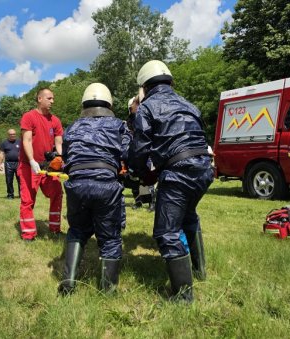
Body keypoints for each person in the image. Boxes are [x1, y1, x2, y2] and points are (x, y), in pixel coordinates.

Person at [128, 60, 214, 302]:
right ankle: (199, 271)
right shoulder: (189, 104)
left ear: (144, 85)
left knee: (166, 232)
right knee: (188, 217)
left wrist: (136, 170)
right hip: (204, 170)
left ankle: (184, 297)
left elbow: (141, 147)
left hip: (180, 172)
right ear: (170, 81)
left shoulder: (147, 107)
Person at [58, 83, 131, 295]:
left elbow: (66, 156)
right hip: (105, 185)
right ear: (109, 103)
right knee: (109, 237)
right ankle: (108, 290)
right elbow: (128, 153)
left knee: (77, 230)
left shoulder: (71, 127)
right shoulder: (119, 125)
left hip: (76, 185)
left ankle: (69, 283)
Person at [18, 88, 64, 241]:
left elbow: (58, 143)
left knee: (57, 192)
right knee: (27, 200)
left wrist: (61, 159)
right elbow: (27, 140)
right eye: (49, 98)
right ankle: (29, 234)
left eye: (53, 98)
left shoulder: (55, 120)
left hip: (47, 166)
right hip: (28, 165)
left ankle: (55, 228)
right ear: (39, 99)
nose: (53, 101)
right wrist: (31, 160)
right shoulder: (29, 117)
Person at [0, 128, 21, 199]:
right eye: (11, 134)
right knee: (9, 180)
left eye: (14, 134)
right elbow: (1, 154)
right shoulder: (4, 143)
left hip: (19, 164)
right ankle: (10, 195)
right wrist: (0, 164)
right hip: (8, 164)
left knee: (20, 180)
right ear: (8, 135)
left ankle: (22, 194)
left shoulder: (20, 142)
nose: (13, 135)